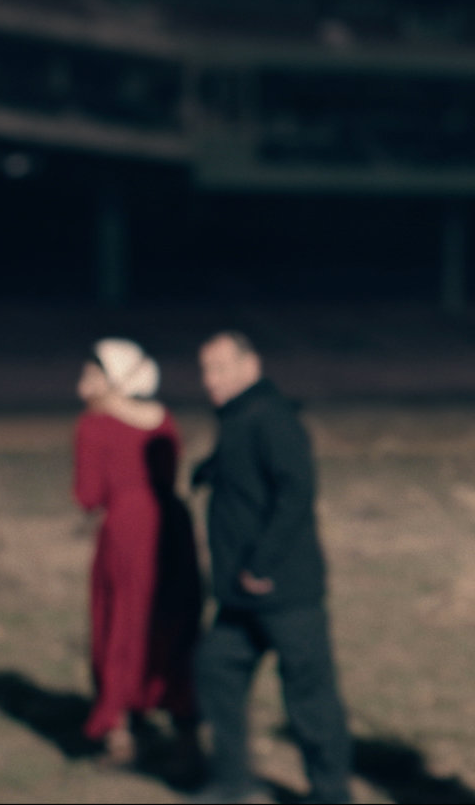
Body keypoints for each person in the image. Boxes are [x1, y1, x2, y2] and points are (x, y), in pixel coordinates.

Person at [192, 331, 351, 804]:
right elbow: (241, 471)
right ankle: (230, 781)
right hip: (240, 595)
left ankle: (330, 793)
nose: (210, 380)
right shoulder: (240, 416)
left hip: (283, 590)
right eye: (205, 370)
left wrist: (261, 563)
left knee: (309, 698)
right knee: (216, 670)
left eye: (220, 368)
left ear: (250, 365)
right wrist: (206, 472)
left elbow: (296, 491)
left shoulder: (272, 418)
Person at [73, 337, 203, 768]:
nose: (82, 385)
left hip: (127, 535)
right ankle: (184, 723)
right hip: (172, 530)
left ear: (113, 379)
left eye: (92, 375)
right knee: (170, 622)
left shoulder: (93, 427)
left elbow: (88, 495)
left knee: (121, 623)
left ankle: (119, 730)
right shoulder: (163, 420)